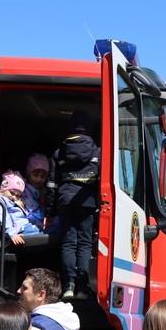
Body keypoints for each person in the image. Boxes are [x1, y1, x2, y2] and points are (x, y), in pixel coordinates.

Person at [46, 109, 101, 300]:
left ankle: (68, 286)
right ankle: (82, 288)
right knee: (85, 243)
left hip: (65, 201)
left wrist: (50, 212)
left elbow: (52, 184)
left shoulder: (59, 152)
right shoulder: (97, 151)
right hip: (87, 201)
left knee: (68, 243)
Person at [0, 170, 42, 246]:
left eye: (18, 195)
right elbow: (4, 217)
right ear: (3, 188)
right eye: (11, 193)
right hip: (20, 229)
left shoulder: (11, 201)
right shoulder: (0, 201)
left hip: (25, 225)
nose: (14, 197)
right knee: (48, 231)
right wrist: (12, 234)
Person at [22, 153, 59, 234]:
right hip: (30, 223)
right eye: (35, 175)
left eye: (42, 177)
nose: (38, 179)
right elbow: (32, 213)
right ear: (28, 174)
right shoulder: (25, 191)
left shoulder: (42, 190)